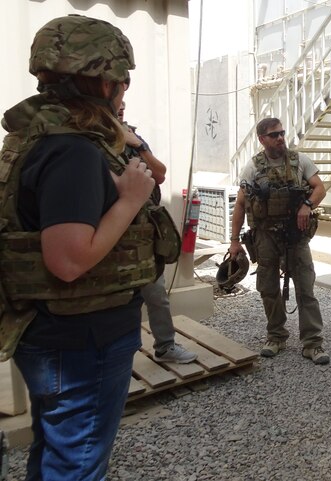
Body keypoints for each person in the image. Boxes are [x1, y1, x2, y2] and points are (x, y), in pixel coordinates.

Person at [0, 15, 164, 479]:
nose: (124, 87)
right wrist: (131, 200)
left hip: (59, 332)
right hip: (80, 337)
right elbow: (69, 259)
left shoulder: (40, 135)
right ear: (103, 79)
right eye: (121, 78)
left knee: (54, 452)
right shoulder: (70, 149)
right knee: (77, 462)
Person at [229, 117, 330, 365]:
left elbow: (319, 188)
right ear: (262, 139)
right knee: (268, 288)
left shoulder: (299, 161)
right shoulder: (253, 167)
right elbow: (241, 205)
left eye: (282, 133)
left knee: (306, 288)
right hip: (265, 236)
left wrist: (307, 205)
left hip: (295, 235)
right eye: (274, 135)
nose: (280, 138)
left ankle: (313, 343)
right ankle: (276, 336)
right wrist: (234, 241)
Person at [119, 101, 197, 364]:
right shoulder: (90, 139)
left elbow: (160, 174)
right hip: (112, 234)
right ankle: (116, 359)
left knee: (156, 293)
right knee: (116, 302)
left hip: (142, 232)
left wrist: (138, 145)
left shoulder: (133, 139)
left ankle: (165, 346)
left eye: (123, 105)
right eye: (116, 104)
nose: (120, 108)